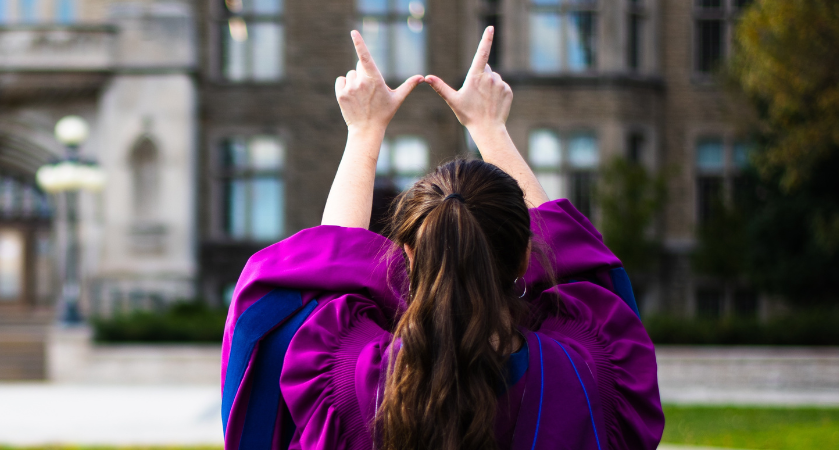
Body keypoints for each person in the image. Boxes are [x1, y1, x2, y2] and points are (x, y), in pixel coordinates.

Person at [219, 28, 663, 450]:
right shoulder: (588, 373)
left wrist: (364, 131)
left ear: (409, 256)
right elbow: (579, 269)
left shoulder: (353, 383)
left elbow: (323, 280)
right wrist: (491, 129)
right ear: (526, 252)